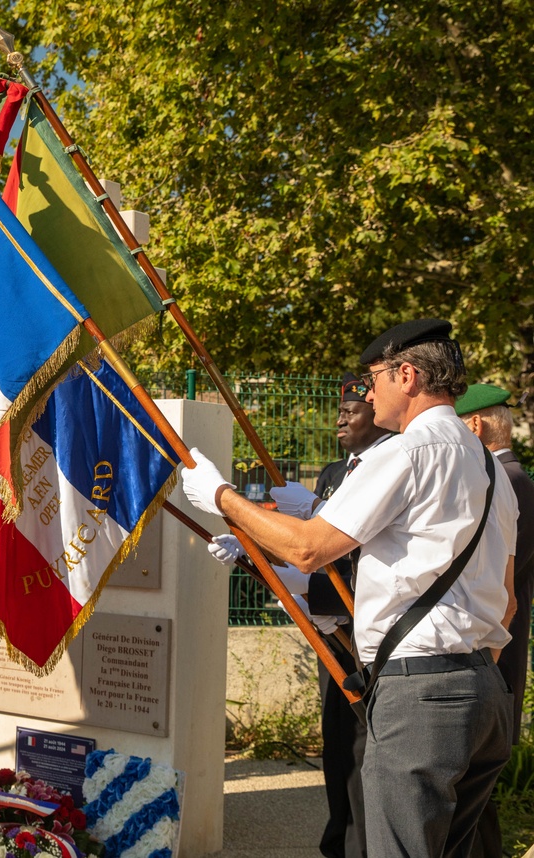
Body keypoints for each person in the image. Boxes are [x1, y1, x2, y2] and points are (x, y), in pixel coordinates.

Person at [182, 318, 518, 857]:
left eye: (375, 377)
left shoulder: (406, 452)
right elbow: (509, 594)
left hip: (422, 694)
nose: (368, 391)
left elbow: (310, 548)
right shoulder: (488, 465)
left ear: (407, 375)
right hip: (484, 690)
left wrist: (221, 497)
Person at [210, 372, 391, 858]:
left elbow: (358, 555)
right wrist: (258, 556)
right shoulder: (335, 473)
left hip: (365, 631)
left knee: (362, 748)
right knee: (336, 745)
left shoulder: (387, 467)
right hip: (327, 631)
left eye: (352, 411)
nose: (340, 418)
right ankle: (339, 839)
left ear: (377, 415)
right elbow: (306, 549)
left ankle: (362, 846)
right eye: (340, 410)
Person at [456, 383, 534, 858]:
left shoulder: (509, 481)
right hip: (491, 652)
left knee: (473, 787)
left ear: (474, 425)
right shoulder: (508, 479)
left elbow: (496, 584)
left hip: (492, 655)